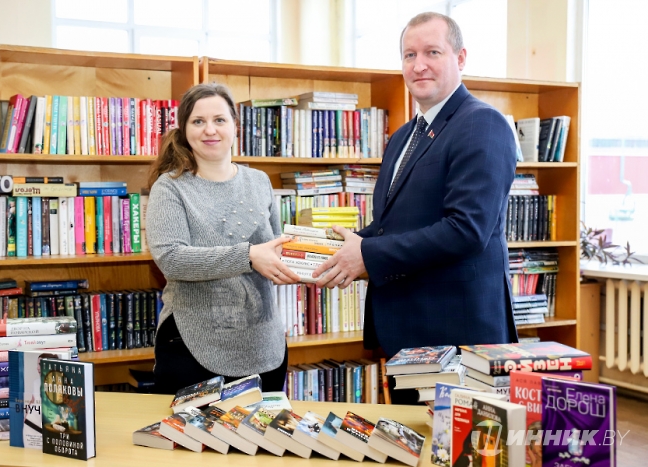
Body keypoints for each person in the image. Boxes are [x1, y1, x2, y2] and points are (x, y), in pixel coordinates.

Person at [314, 12, 518, 385]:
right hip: (406, 331)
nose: (418, 65)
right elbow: (391, 226)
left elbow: (466, 230)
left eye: (432, 52)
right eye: (409, 55)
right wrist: (327, 250)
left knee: (458, 428)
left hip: (458, 336)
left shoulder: (482, 123)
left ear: (460, 58)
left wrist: (367, 255)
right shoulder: (403, 136)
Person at [146, 82, 300, 395]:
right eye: (198, 121)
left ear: (235, 126)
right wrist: (248, 256)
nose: (210, 130)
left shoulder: (259, 181)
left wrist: (313, 260)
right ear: (184, 129)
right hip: (193, 348)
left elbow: (273, 250)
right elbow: (171, 259)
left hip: (264, 347)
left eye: (219, 119)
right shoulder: (170, 187)